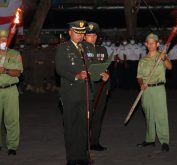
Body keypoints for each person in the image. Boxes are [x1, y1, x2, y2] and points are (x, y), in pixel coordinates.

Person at [55, 20, 91, 165]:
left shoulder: (87, 47)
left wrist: (102, 72)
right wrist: (76, 76)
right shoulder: (63, 48)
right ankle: (71, 157)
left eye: (82, 33)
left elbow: (94, 65)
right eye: (77, 32)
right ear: (70, 32)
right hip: (70, 93)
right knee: (70, 126)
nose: (80, 35)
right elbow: (60, 69)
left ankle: (82, 156)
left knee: (83, 126)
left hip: (86, 93)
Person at [136, 33, 172, 152]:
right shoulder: (142, 60)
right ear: (146, 45)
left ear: (157, 44)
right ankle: (150, 139)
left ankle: (164, 141)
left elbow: (170, 67)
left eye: (153, 43)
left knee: (161, 115)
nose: (151, 45)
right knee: (148, 114)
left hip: (158, 89)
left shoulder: (162, 56)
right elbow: (139, 76)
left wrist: (164, 58)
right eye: (149, 43)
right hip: (146, 89)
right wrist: (141, 83)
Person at [84, 22, 110, 151]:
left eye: (94, 35)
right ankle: (83, 142)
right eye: (89, 35)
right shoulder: (79, 50)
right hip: (86, 87)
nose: (92, 38)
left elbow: (106, 68)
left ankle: (94, 142)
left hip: (100, 87)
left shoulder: (102, 50)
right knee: (85, 116)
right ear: (84, 37)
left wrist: (107, 79)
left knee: (98, 115)